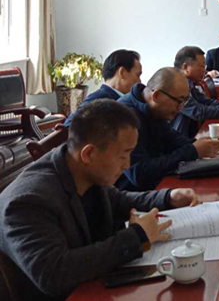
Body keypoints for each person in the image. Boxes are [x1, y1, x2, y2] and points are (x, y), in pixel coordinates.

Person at [0, 100, 200, 301]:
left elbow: (119, 200)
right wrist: (137, 236)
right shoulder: (28, 202)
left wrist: (168, 197)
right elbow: (54, 274)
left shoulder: (78, 167)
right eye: (123, 155)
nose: (128, 165)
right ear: (89, 153)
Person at [117, 68, 219, 191]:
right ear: (156, 96)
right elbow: (140, 175)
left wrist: (202, 145)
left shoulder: (153, 110)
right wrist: (193, 151)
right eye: (179, 101)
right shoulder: (124, 117)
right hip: (134, 196)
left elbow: (173, 139)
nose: (181, 108)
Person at [64, 49, 142, 126]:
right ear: (122, 72)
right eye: (138, 75)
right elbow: (69, 127)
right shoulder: (98, 99)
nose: (140, 81)